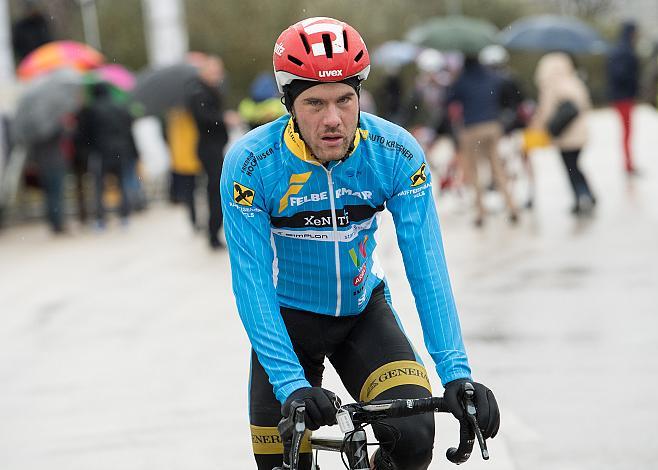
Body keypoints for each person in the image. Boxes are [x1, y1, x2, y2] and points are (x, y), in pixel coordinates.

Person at [220, 17, 500, 470]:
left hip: (361, 315)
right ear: (289, 103)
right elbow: (250, 281)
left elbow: (427, 268)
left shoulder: (395, 152)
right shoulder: (253, 164)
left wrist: (457, 373)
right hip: (286, 322)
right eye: (314, 103)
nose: (332, 120)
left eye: (344, 100)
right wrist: (291, 384)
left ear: (359, 95)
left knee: (412, 436)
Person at [447, 54, 519, 227]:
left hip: (471, 128)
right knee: (497, 168)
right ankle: (511, 206)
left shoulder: (462, 81)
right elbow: (505, 94)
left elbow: (449, 99)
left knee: (473, 172)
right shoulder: (492, 77)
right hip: (493, 126)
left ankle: (480, 212)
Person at [533, 52, 596, 215]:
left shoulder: (551, 85)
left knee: (570, 168)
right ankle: (589, 194)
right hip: (581, 134)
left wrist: (539, 126)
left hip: (565, 135)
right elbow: (586, 104)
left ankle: (580, 197)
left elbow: (546, 111)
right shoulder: (574, 81)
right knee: (577, 166)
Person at [79, 82, 139, 228]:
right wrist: (135, 151)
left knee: (99, 187)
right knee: (122, 184)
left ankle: (101, 219)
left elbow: (86, 135)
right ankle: (124, 215)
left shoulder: (92, 110)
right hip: (121, 151)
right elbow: (129, 130)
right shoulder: (120, 107)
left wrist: (86, 152)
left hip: (100, 152)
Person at [186, 55, 229, 249]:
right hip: (208, 147)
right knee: (214, 189)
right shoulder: (199, 92)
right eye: (214, 71)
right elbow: (205, 118)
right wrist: (224, 118)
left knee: (215, 189)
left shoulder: (209, 90)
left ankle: (214, 230)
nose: (218, 75)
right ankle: (212, 232)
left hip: (214, 145)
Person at [606, 20, 640, 175]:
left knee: (627, 131)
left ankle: (629, 162)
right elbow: (620, 74)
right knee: (627, 131)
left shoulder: (618, 49)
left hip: (621, 96)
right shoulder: (624, 51)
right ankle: (628, 164)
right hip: (623, 97)